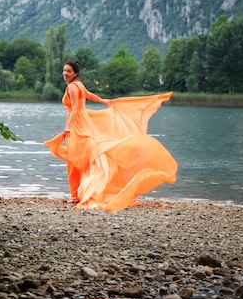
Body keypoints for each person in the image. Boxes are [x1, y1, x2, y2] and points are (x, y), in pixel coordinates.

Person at [44, 60, 178, 212]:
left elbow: (75, 108)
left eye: (68, 71)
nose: (65, 73)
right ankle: (78, 194)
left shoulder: (73, 88)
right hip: (83, 121)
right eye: (64, 70)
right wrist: (103, 101)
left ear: (75, 73)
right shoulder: (78, 85)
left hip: (77, 124)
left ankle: (80, 194)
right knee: (83, 157)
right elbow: (89, 95)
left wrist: (68, 127)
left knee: (76, 158)